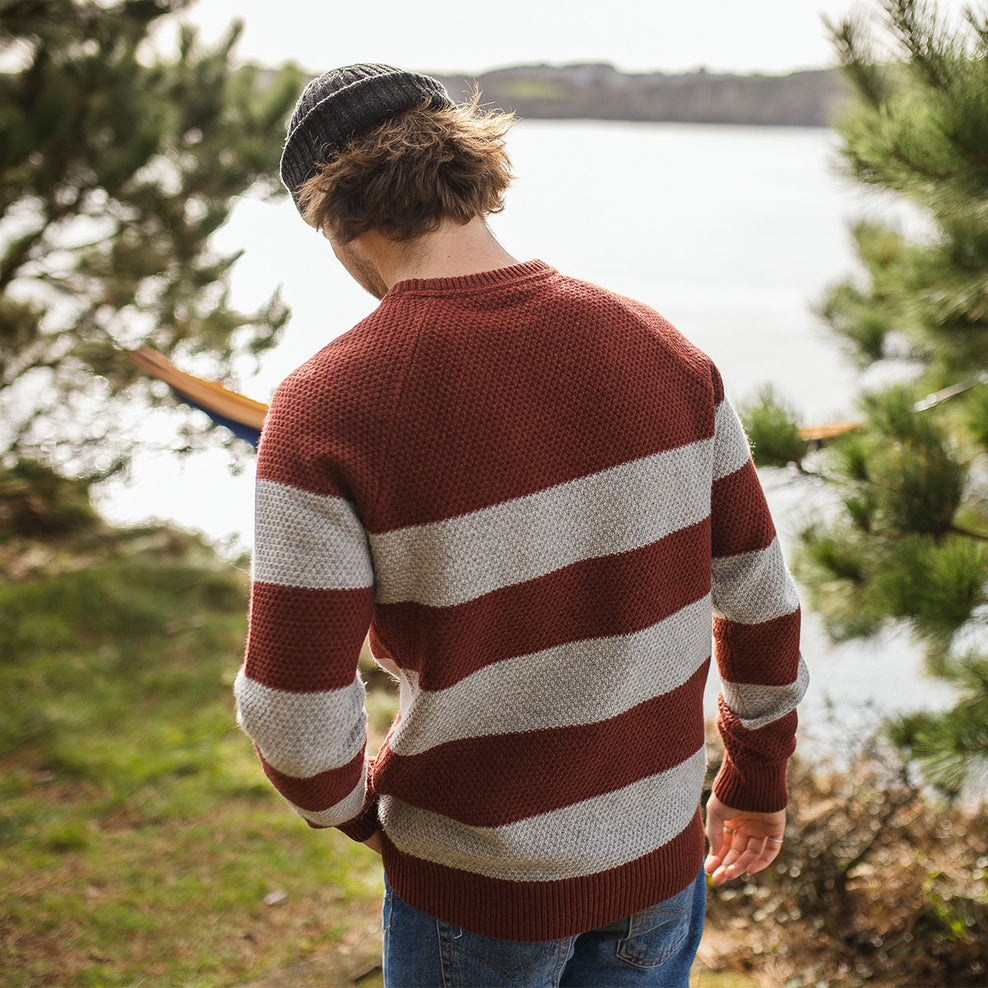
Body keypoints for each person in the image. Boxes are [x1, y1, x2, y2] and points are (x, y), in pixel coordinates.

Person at [234, 63, 808, 988]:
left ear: (332, 219)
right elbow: (761, 603)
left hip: (471, 888)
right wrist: (755, 779)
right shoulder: (663, 351)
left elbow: (292, 712)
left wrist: (356, 814)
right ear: (470, 173)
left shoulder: (325, 409)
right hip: (658, 863)